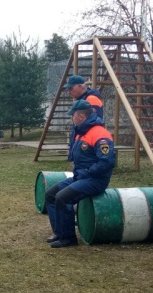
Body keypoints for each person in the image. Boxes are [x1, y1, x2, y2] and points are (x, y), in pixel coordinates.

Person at [45, 100, 115, 248]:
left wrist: (88, 172)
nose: (72, 118)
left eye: (73, 115)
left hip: (95, 180)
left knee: (62, 198)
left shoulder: (100, 134)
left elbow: (106, 162)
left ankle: (68, 238)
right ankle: (59, 232)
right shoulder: (81, 132)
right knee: (51, 195)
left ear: (81, 116)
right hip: (81, 177)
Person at [63, 75, 104, 162]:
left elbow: (93, 123)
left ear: (80, 86)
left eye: (71, 88)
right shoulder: (81, 100)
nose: (69, 92)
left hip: (87, 147)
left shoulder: (91, 99)